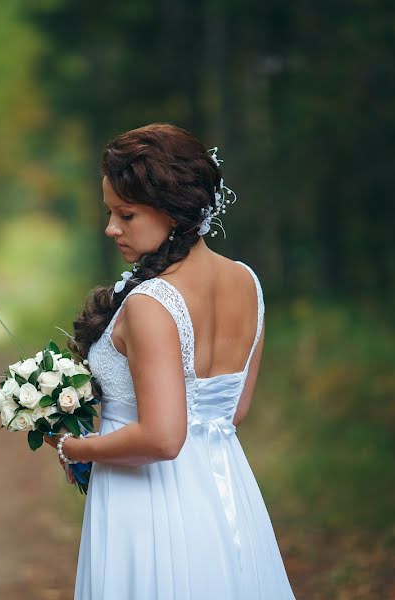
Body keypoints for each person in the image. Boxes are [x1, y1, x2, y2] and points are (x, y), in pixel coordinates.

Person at [43, 123, 296, 599]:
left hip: (149, 504)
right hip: (225, 494)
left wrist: (75, 448)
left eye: (127, 214)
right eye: (110, 212)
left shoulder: (152, 302)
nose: (111, 228)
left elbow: (162, 437)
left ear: (174, 213)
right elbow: (232, 411)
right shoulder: (246, 281)